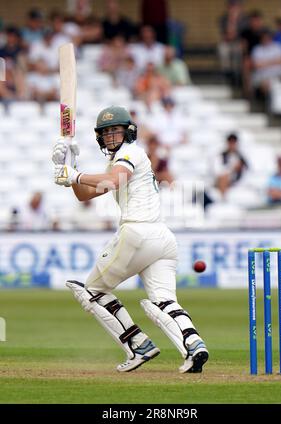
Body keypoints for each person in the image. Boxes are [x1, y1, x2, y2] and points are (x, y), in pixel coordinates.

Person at [52, 106, 209, 373]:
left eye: (116, 130)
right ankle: (194, 346)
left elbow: (114, 181)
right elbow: (84, 195)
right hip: (162, 239)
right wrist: (68, 168)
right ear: (100, 137)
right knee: (164, 300)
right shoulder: (118, 161)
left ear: (128, 132)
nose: (112, 135)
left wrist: (75, 175)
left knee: (92, 290)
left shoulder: (130, 153)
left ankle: (138, 345)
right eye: (106, 132)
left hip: (137, 232)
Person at [214, 133, 248, 197]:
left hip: (237, 179)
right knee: (223, 178)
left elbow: (247, 169)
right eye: (230, 142)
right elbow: (218, 171)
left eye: (234, 142)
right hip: (224, 178)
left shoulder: (241, 156)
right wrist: (232, 169)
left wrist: (240, 168)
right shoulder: (222, 155)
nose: (232, 145)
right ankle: (223, 198)